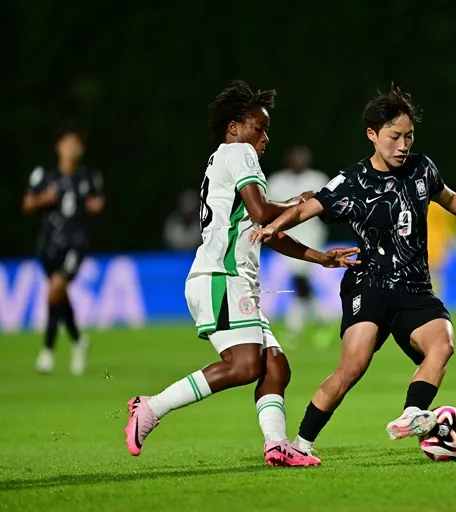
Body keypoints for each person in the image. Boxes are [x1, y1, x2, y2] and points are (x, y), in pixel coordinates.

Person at [252, 84, 456, 461]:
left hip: (415, 288)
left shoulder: (422, 168)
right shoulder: (352, 181)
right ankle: (299, 445)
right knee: (352, 367)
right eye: (394, 136)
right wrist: (274, 226)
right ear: (373, 135)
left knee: (442, 344)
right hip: (369, 286)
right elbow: (307, 208)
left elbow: (449, 199)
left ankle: (413, 413)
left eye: (409, 136)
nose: (403, 145)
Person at [124, 80, 359, 467]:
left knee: (275, 367)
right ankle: (151, 408)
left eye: (267, 130)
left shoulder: (225, 158)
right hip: (222, 276)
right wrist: (302, 202)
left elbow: (265, 230)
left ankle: (277, 444)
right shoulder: (240, 153)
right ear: (234, 127)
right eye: (259, 127)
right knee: (246, 366)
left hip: (233, 279)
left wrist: (318, 257)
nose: (265, 137)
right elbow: (263, 213)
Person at [22, 125, 105, 376]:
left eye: (75, 144)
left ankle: (47, 351)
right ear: (58, 147)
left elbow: (99, 202)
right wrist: (41, 200)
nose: (71, 149)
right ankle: (79, 341)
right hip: (48, 244)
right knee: (59, 295)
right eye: (67, 143)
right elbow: (26, 203)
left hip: (75, 244)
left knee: (56, 287)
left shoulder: (88, 176)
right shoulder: (43, 175)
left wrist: (93, 205)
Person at [267, 147, 330, 339]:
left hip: (311, 235)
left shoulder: (318, 179)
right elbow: (268, 207)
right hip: (286, 236)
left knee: (300, 278)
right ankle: (321, 315)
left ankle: (296, 324)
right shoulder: (277, 181)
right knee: (300, 280)